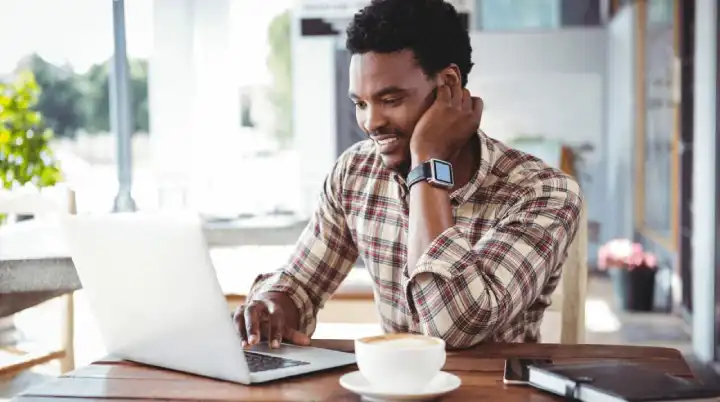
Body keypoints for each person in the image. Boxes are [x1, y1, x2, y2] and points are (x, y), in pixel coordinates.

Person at [233, 0, 583, 349]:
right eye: (361, 104)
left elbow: (452, 331)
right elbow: (301, 285)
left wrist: (428, 163)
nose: (371, 123)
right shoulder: (356, 172)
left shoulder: (541, 191)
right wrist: (273, 306)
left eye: (391, 99)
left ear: (448, 84)